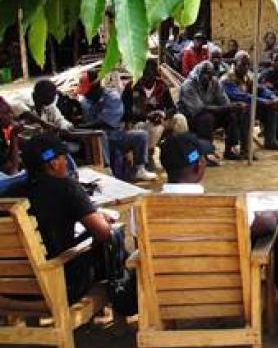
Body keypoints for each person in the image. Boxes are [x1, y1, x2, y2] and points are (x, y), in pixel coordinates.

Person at [158, 133, 278, 314]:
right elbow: (268, 225)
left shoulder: (140, 211)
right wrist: (272, 215)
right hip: (226, 289)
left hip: (172, 294)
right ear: (198, 166)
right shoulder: (225, 207)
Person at [10, 134, 115, 301]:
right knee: (114, 237)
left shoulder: (10, 194)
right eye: (64, 158)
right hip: (58, 284)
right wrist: (101, 219)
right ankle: (123, 299)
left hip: (14, 289)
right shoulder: (66, 187)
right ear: (53, 163)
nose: (66, 162)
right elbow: (103, 233)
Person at [79, 69, 156, 182]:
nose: (86, 94)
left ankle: (140, 169)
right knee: (100, 134)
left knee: (141, 135)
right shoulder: (85, 101)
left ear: (95, 86)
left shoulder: (112, 97)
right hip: (94, 139)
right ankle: (107, 170)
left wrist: (82, 126)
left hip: (116, 136)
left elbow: (104, 122)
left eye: (87, 91)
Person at [178, 60, 248, 160]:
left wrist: (233, 107)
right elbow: (200, 109)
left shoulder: (214, 82)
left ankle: (229, 150)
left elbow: (224, 102)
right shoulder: (189, 85)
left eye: (209, 74)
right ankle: (205, 154)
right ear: (199, 73)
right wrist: (228, 107)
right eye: (204, 74)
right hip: (190, 117)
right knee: (207, 118)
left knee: (232, 114)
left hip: (209, 114)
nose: (207, 77)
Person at [223, 51, 278, 150]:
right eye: (243, 64)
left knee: (272, 107)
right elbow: (241, 96)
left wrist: (273, 98)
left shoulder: (247, 76)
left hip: (249, 105)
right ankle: (245, 148)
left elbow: (260, 89)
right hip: (232, 109)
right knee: (246, 110)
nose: (246, 67)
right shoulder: (227, 78)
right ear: (235, 63)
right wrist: (265, 102)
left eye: (247, 64)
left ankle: (271, 141)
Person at [123, 58, 179, 170]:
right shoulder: (131, 87)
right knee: (155, 128)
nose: (147, 78)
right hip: (138, 122)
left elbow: (172, 108)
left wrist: (163, 115)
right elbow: (125, 113)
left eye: (150, 74)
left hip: (160, 119)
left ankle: (177, 151)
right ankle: (147, 155)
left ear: (155, 74)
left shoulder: (161, 85)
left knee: (180, 119)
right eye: (144, 74)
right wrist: (147, 117)